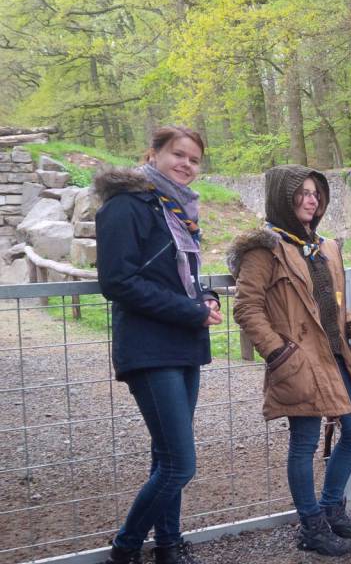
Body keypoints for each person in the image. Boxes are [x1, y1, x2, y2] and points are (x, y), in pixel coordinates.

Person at [229, 165, 351, 557]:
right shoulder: (264, 249)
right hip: (297, 359)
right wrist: (278, 352)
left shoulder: (327, 247)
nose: (312, 200)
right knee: (305, 442)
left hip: (335, 356)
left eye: (316, 193)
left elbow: (332, 305)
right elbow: (247, 308)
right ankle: (311, 527)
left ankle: (331, 509)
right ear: (283, 196)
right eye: (303, 192)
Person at [95, 126, 222, 564]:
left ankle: (169, 544)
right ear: (153, 154)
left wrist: (206, 298)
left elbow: (180, 276)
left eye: (194, 159)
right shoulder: (126, 205)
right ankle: (125, 548)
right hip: (150, 348)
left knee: (165, 457)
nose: (186, 164)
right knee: (180, 464)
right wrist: (190, 310)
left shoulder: (177, 209)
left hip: (183, 344)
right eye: (178, 154)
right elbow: (118, 281)